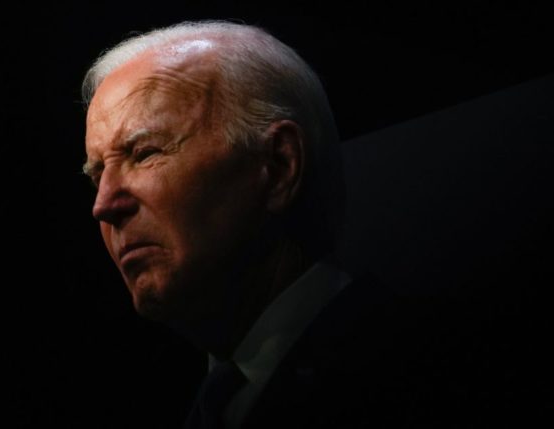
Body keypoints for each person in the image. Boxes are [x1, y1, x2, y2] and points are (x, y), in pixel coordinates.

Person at [81, 20, 545, 428]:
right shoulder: (192, 404)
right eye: (98, 174)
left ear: (280, 166)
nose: (104, 205)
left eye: (144, 153)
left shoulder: (444, 371)